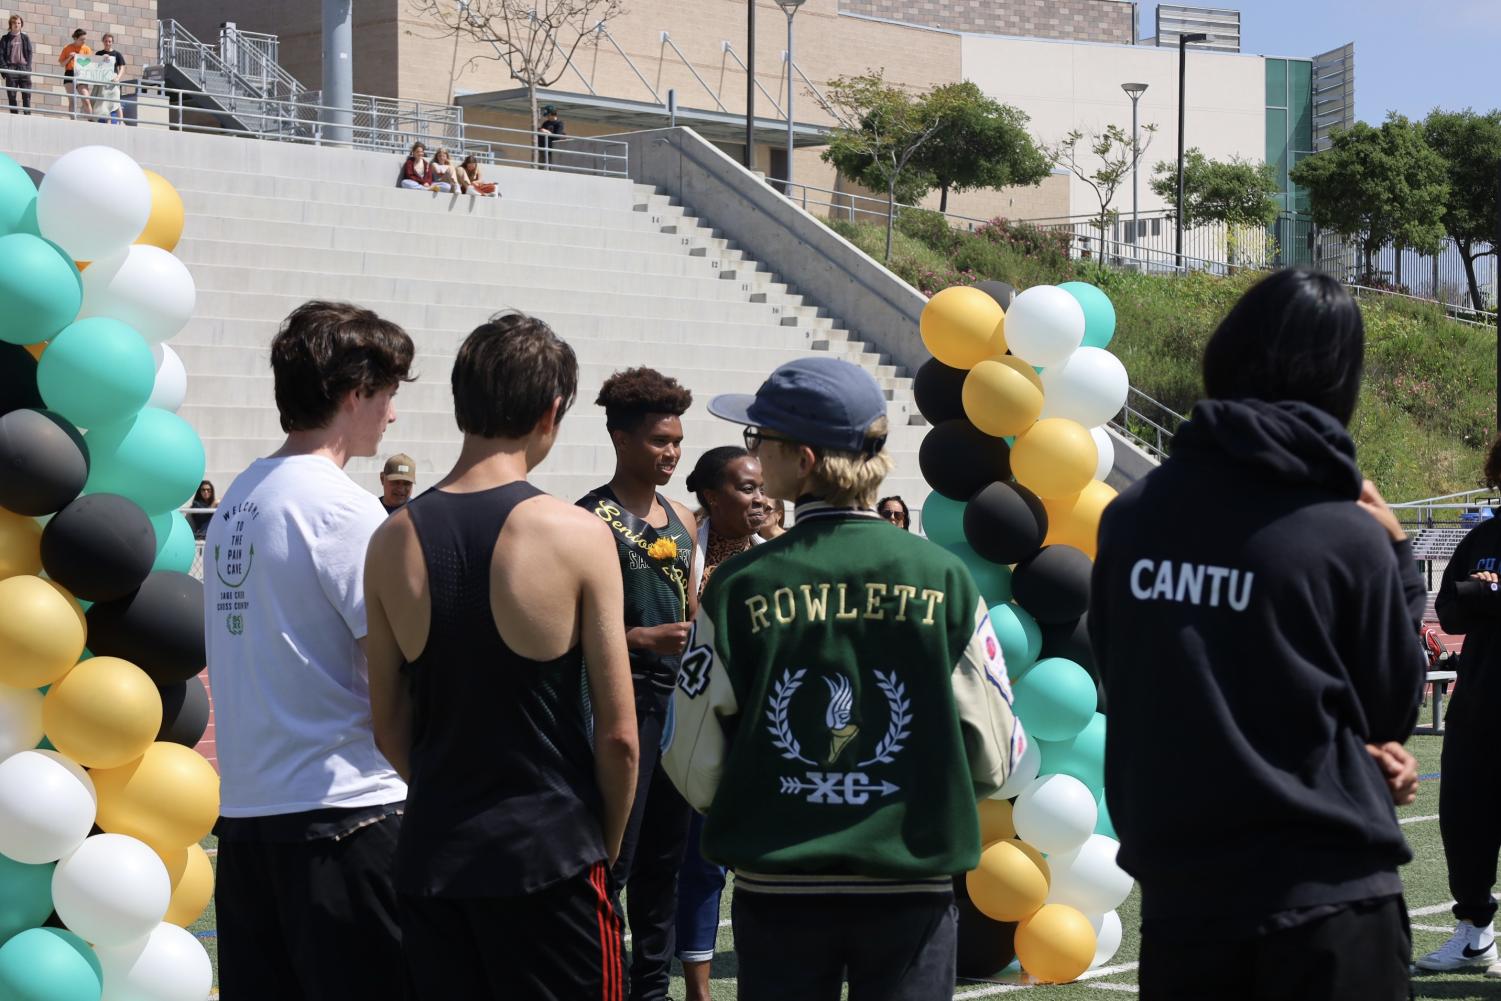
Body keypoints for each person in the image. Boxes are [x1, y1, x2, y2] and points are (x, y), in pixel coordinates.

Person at [1089, 268, 1426, 1001]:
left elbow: (1125, 670)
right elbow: (1392, 709)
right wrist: (1396, 554)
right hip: (1327, 898)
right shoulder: (1343, 530)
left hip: (1185, 902)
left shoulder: (1133, 515)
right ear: (1339, 380)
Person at [663, 356, 1023, 1001]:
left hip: (781, 888)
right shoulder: (944, 578)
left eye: (759, 440)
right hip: (911, 884)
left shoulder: (741, 587)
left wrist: (772, 800)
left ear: (802, 460)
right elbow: (996, 757)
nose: (754, 453)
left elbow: (691, 759)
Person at [363, 312, 639, 1000]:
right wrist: (599, 845)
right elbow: (620, 735)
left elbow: (389, 724)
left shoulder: (391, 538)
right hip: (551, 856)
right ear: (551, 412)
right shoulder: (576, 534)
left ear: (461, 403)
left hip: (433, 856)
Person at [204, 300, 415, 1000]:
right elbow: (403, 663)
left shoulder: (242, 492)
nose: (391, 415)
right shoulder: (340, 506)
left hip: (249, 823)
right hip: (346, 817)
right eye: (387, 395)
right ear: (355, 392)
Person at [578, 368, 697, 1001]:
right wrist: (642, 640)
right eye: (658, 441)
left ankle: (652, 990)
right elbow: (566, 631)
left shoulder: (683, 517)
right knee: (614, 862)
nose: (672, 452)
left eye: (677, 440)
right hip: (616, 707)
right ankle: (607, 985)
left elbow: (690, 608)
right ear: (620, 438)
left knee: (665, 864)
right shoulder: (586, 519)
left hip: (675, 708)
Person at [676, 445, 767, 1001]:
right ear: (712, 495)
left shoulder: (776, 557)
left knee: (766, 866)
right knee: (702, 864)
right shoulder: (682, 549)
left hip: (766, 731)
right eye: (746, 488)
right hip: (696, 727)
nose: (760, 498)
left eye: (761, 487)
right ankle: (698, 990)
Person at [1421, 434, 1501, 976]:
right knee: (1465, 819)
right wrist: (1479, 594)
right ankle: (1475, 934)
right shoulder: (1483, 537)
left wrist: (1488, 595)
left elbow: (1477, 599)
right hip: (1479, 704)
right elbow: (1449, 613)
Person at [2, 15, 32, 115]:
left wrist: (28, 68)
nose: (17, 25)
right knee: (12, 95)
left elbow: (30, 53)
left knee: (26, 95)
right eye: (14, 23)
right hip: (11, 69)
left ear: (21, 24)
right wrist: (5, 70)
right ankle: (14, 116)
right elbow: (0, 55)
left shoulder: (25, 38)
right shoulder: (5, 39)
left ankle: (27, 116)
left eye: (19, 23)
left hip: (24, 69)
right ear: (11, 24)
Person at [92, 32, 124, 123]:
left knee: (116, 101)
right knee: (104, 101)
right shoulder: (99, 53)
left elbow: (122, 67)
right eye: (106, 41)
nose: (108, 43)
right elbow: (93, 66)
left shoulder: (117, 54)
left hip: (113, 80)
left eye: (109, 41)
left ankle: (121, 122)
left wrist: (118, 77)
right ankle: (107, 121)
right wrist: (101, 58)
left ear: (112, 42)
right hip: (102, 80)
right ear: (103, 42)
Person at [58, 28, 89, 118]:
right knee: (72, 99)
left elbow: (91, 63)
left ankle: (91, 120)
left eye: (84, 39)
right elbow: (61, 64)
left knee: (86, 99)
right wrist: (69, 58)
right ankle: (73, 120)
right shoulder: (67, 48)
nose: (83, 41)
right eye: (81, 39)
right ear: (75, 38)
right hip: (70, 72)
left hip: (81, 73)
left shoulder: (86, 49)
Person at [537, 104, 565, 169]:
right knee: (540, 168)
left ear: (552, 114)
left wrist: (548, 132)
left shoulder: (559, 123)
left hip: (552, 150)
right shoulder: (545, 123)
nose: (547, 117)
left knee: (550, 168)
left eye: (548, 115)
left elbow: (557, 137)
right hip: (543, 149)